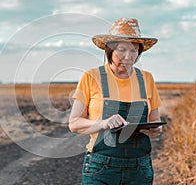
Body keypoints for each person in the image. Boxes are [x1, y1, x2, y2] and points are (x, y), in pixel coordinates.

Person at [69, 18, 162, 185]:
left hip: (139, 169)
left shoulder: (146, 79)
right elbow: (74, 124)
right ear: (109, 50)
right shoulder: (91, 77)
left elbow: (155, 120)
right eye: (121, 50)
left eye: (134, 50)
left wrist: (156, 129)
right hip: (100, 169)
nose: (128, 57)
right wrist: (104, 123)